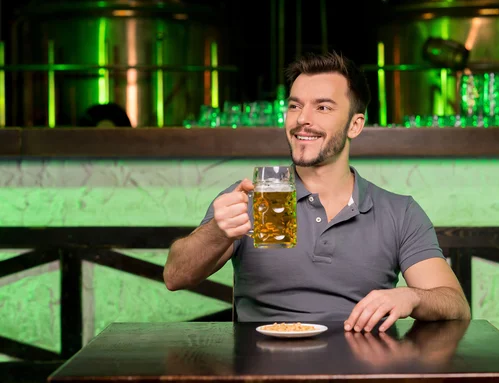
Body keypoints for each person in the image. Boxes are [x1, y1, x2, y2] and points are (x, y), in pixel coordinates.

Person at [164, 51, 471, 332]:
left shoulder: (398, 211)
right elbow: (175, 277)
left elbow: (455, 304)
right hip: (263, 370)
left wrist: (411, 297)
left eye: (322, 107)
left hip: (363, 373)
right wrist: (219, 231)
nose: (301, 120)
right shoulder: (254, 195)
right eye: (295, 105)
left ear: (355, 125)